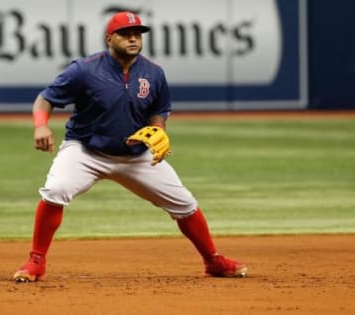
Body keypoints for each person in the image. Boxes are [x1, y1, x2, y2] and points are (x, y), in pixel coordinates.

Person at [13, 11, 247, 282]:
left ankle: (213, 261)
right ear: (109, 39)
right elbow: (45, 98)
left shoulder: (154, 73)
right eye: (126, 33)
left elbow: (160, 110)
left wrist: (159, 129)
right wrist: (41, 125)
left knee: (185, 204)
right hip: (86, 151)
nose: (133, 38)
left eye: (137, 34)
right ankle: (36, 262)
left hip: (136, 155)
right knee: (55, 190)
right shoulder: (84, 70)